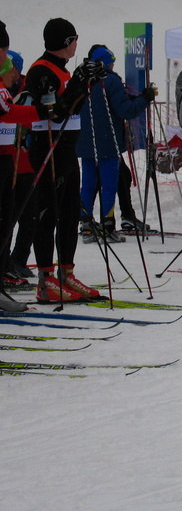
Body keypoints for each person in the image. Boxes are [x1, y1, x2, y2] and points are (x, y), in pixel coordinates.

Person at [25, 18, 105, 302]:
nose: (76, 44)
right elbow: (55, 113)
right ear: (65, 42)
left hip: (67, 149)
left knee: (70, 212)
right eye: (74, 39)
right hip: (48, 148)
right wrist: (79, 83)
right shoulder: (41, 71)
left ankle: (66, 273)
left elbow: (73, 106)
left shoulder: (62, 70)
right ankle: (45, 279)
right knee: (49, 213)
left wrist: (88, 82)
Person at [76, 45, 152, 244]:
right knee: (109, 184)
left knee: (88, 183)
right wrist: (145, 99)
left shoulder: (83, 79)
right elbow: (125, 110)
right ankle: (107, 225)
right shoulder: (110, 80)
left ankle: (86, 223)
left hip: (86, 140)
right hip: (108, 141)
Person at [0, 26, 39, 313]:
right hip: (13, 162)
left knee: (19, 216)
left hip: (18, 161)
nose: (14, 74)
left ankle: (13, 263)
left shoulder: (20, 90)